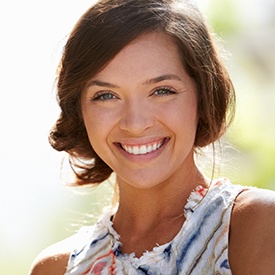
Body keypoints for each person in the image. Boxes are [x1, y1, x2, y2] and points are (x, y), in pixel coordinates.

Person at [29, 0, 275, 274]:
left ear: (203, 96)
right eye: (106, 96)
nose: (135, 124)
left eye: (162, 91)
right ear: (79, 110)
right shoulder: (57, 268)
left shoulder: (257, 226)